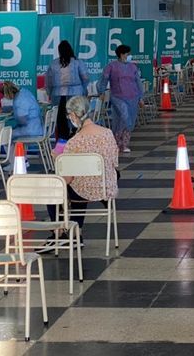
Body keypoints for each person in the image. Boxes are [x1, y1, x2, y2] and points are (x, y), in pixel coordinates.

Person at [43, 96, 119, 247]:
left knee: (56, 188)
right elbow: (114, 163)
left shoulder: (74, 143)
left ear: (73, 115)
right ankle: (76, 232)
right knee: (80, 182)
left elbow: (67, 179)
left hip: (83, 191)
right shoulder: (108, 133)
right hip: (107, 187)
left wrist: (59, 160)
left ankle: (59, 231)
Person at [98, 44, 144, 153]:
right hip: (118, 97)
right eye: (128, 54)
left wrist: (140, 97)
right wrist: (101, 91)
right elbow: (104, 79)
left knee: (129, 121)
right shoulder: (111, 66)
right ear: (122, 54)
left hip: (133, 97)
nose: (129, 56)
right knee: (124, 116)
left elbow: (138, 82)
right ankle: (117, 142)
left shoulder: (133, 67)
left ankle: (124, 144)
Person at [45, 40, 89, 141]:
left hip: (57, 95)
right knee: (76, 118)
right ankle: (76, 140)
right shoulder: (77, 62)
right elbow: (85, 77)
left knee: (60, 120)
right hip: (76, 94)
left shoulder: (53, 63)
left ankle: (62, 142)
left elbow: (48, 81)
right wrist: (83, 89)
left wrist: (50, 92)